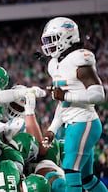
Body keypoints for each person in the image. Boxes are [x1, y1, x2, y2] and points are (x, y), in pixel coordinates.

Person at [40, 17, 107, 192]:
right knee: (87, 179)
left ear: (67, 36)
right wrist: (52, 129)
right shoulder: (55, 64)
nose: (48, 44)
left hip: (85, 122)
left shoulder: (79, 59)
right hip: (74, 123)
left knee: (70, 170)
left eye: (52, 39)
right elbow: (63, 103)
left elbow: (99, 94)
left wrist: (68, 95)